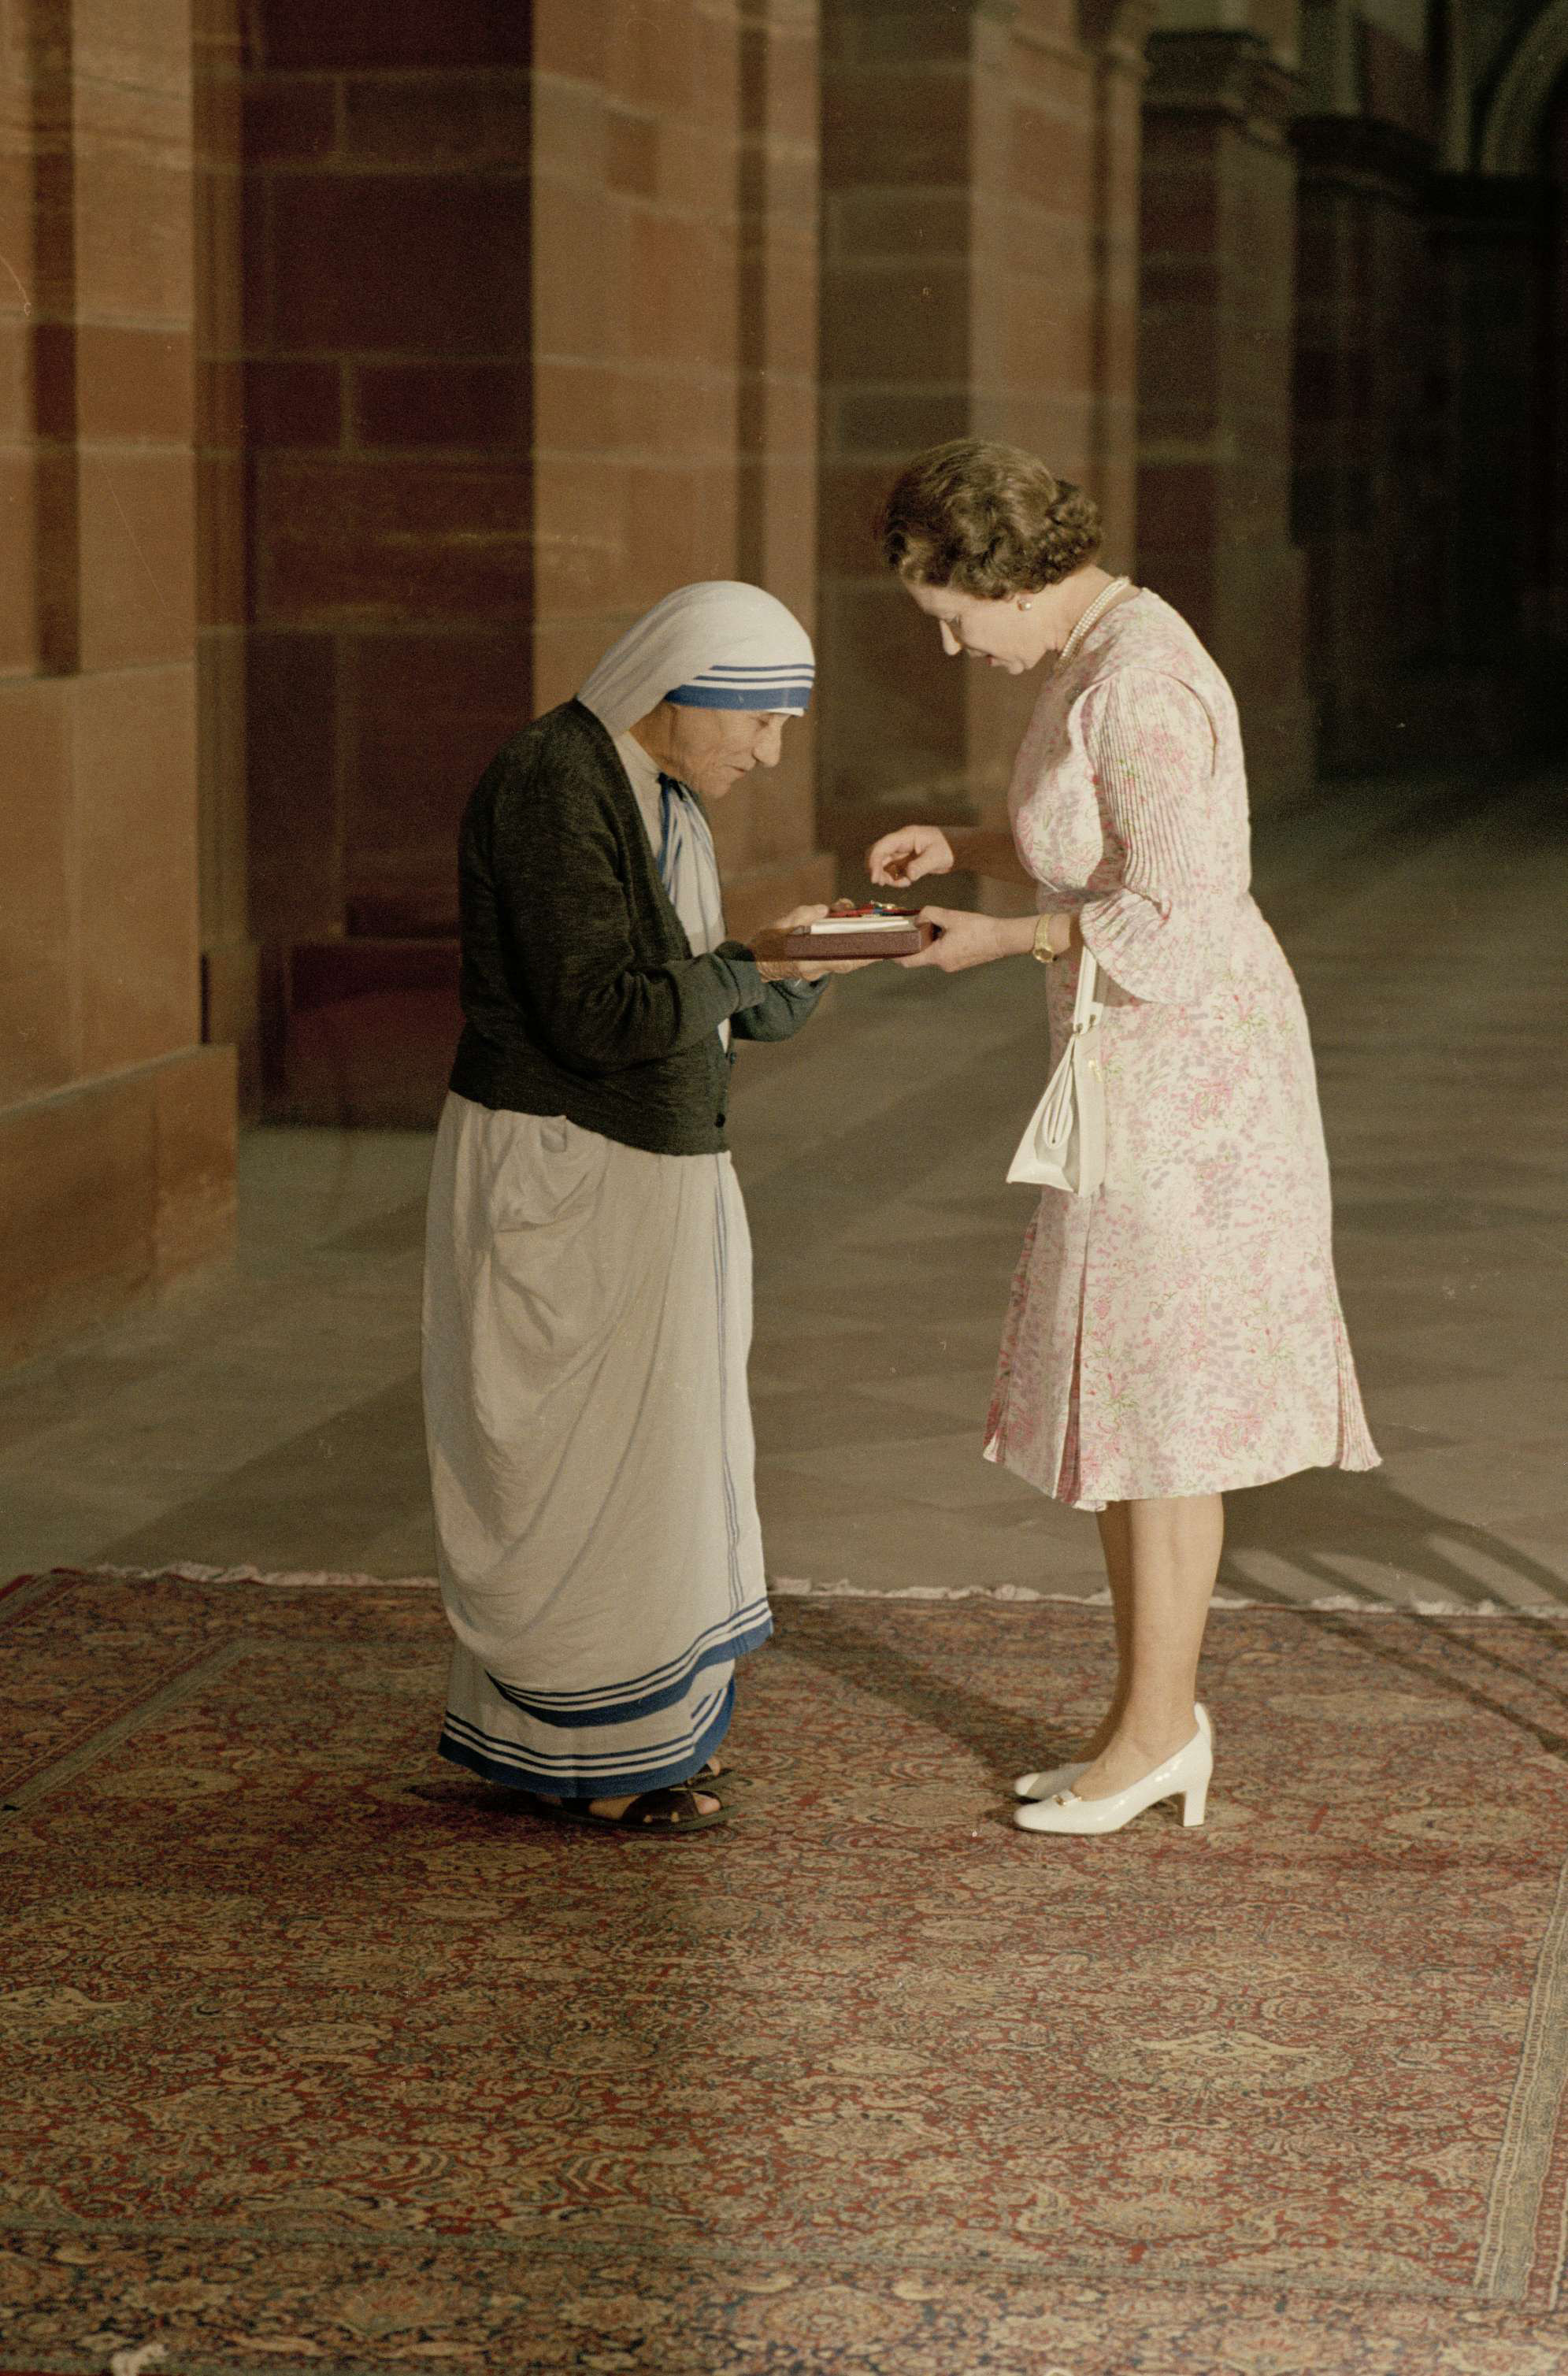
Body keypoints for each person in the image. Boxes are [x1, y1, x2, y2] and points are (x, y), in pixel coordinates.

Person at [867, 439, 1379, 1837]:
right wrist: (966, 843)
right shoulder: (1091, 656)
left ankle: (1160, 1731)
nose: (956, 642)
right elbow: (1105, 846)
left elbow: (1185, 912)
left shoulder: (1140, 677)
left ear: (1002, 570)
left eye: (952, 613)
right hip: (1134, 1061)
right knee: (1130, 1399)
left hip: (1191, 1076)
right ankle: (1144, 1722)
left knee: (1163, 1409)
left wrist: (1003, 938)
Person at [422, 581, 861, 1837]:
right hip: (567, 1166)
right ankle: (598, 1758)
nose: (766, 754)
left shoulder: (654, 789)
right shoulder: (558, 782)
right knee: (577, 1469)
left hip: (640, 1173)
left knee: (652, 1463)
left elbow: (704, 992)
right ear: (681, 691)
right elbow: (601, 1012)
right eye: (759, 724)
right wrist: (754, 964)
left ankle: (635, 1738)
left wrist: (805, 960)